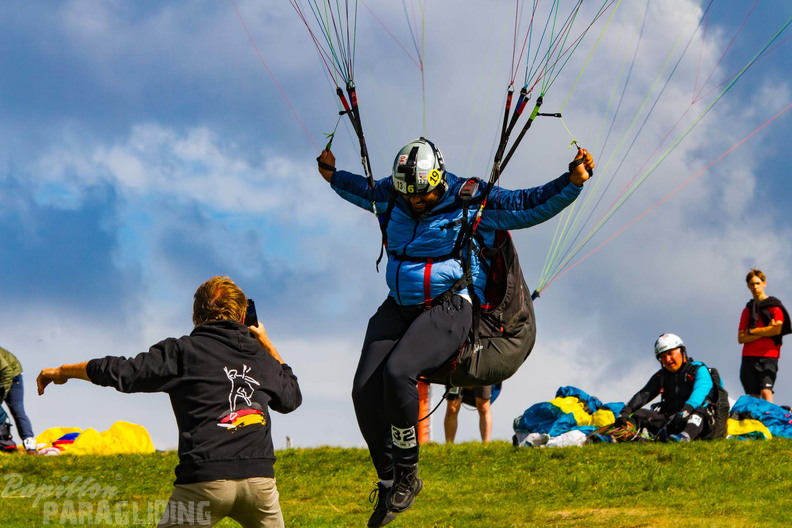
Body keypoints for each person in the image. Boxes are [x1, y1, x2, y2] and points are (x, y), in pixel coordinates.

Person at [317, 137, 594, 527]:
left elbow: (525, 204)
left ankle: (408, 474)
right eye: (408, 195)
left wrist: (571, 182)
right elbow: (362, 189)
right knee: (363, 390)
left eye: (422, 195)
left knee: (398, 372)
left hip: (449, 305)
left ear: (438, 179)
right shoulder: (393, 195)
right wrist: (331, 174)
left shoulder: (470, 199)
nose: (415, 202)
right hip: (399, 305)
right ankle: (387, 479)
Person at [37, 276, 302, 528]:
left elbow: (121, 372)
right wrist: (266, 343)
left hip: (204, 480)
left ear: (197, 315)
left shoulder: (182, 351)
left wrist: (63, 371)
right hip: (259, 482)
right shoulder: (261, 356)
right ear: (243, 317)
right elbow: (291, 398)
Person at [616, 333, 720, 442]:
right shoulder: (661, 376)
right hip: (672, 420)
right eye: (662, 356)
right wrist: (625, 412)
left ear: (682, 351)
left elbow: (701, 390)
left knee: (698, 413)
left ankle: (685, 437)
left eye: (670, 353)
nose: (668, 359)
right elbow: (644, 395)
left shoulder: (698, 369)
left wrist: (687, 409)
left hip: (699, 421)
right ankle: (619, 436)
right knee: (638, 414)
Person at [737, 268, 790, 403]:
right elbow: (741, 338)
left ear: (764, 284)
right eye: (752, 284)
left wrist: (752, 331)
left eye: (758, 283)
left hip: (769, 356)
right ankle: (756, 417)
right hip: (749, 356)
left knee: (766, 391)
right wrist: (767, 330)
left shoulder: (774, 306)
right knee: (752, 396)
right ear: (748, 286)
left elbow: (777, 330)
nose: (755, 287)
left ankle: (769, 415)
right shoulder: (748, 310)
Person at [0, 347, 37, 454]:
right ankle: (5, 443)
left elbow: (7, 371)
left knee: (17, 410)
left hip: (13, 377)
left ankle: (30, 446)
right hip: (3, 377)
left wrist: (3, 393)